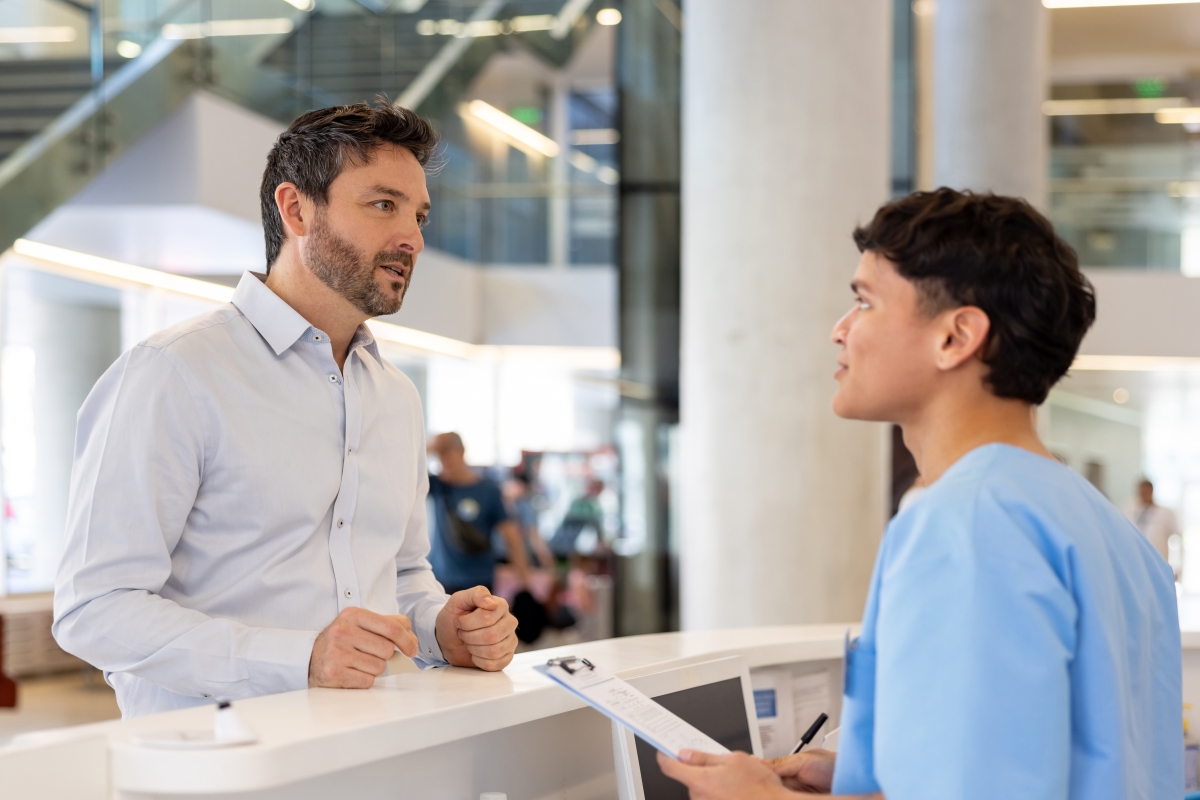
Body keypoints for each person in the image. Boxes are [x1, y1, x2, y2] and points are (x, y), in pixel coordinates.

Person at [657, 189, 1182, 799]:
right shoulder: (1103, 526)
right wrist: (866, 780)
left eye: (864, 302)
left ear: (956, 337)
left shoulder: (966, 524)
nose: (840, 330)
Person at [53, 102, 519, 718]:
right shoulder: (173, 373)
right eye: (384, 205)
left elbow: (403, 576)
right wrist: (298, 659)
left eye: (419, 215)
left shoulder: (397, 398)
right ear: (296, 209)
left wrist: (442, 630)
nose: (412, 237)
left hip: (367, 752)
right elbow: (95, 608)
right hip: (217, 768)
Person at [427, 432, 530, 595]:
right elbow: (404, 470)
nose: (443, 460)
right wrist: (428, 448)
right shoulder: (436, 486)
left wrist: (524, 581)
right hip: (441, 580)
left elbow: (511, 536)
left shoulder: (488, 491)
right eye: (438, 454)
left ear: (461, 452)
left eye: (447, 452)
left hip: (479, 580)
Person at [1125, 478, 1180, 568]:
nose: (1144, 494)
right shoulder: (1128, 510)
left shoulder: (1165, 513)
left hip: (1158, 560)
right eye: (1141, 492)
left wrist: (1176, 565)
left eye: (1146, 491)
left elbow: (1175, 538)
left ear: (1151, 491)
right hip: (1134, 560)